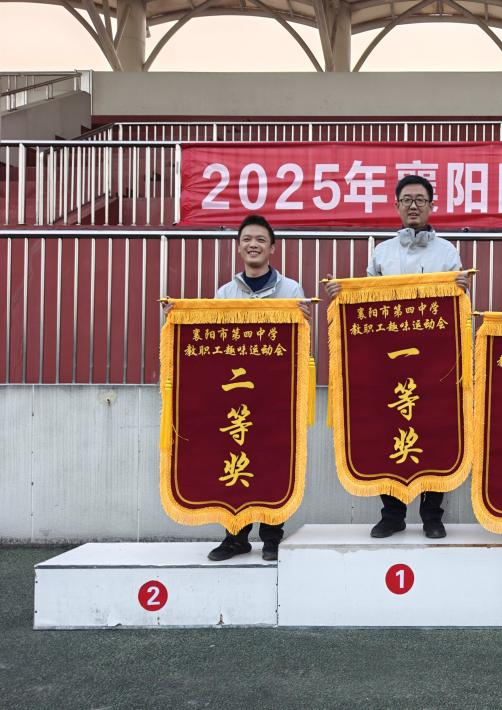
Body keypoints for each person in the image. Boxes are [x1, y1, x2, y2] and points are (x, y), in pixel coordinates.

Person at [325, 175, 469, 540]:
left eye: (421, 199)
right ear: (396, 206)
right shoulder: (382, 253)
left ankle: (432, 515)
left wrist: (461, 290)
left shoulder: (447, 252)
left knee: (434, 432)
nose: (414, 206)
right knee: (390, 431)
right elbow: (366, 302)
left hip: (433, 363)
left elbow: (455, 308)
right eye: (407, 199)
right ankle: (392, 514)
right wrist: (344, 294)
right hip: (388, 362)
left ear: (432, 206)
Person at [165, 214, 311, 562]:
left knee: (273, 461)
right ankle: (235, 536)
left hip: (275, 395)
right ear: (239, 247)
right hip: (236, 394)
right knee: (233, 457)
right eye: (247, 239)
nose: (253, 245)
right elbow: (213, 341)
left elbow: (299, 344)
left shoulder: (291, 290)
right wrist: (178, 317)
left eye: (260, 239)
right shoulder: (225, 293)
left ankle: (272, 536)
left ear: (272, 248)